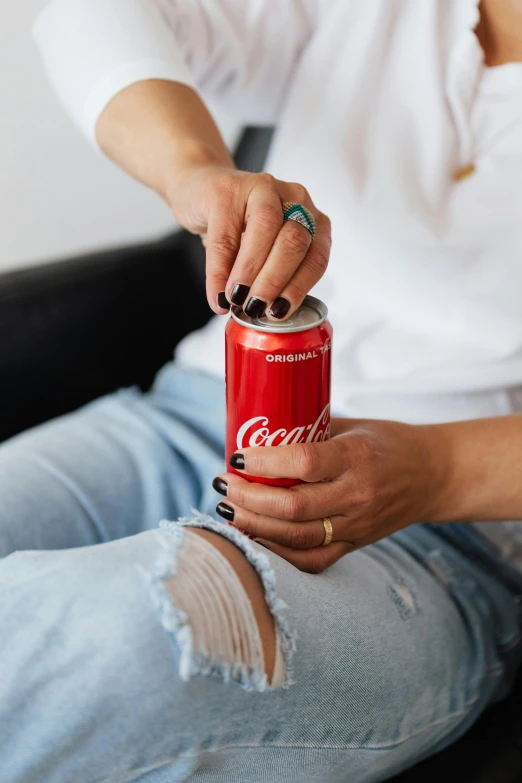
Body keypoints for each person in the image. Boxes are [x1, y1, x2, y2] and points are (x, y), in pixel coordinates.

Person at [2, 0, 522, 780]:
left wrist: (436, 469)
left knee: (127, 642)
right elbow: (92, 14)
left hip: (445, 538)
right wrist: (197, 171)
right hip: (190, 423)